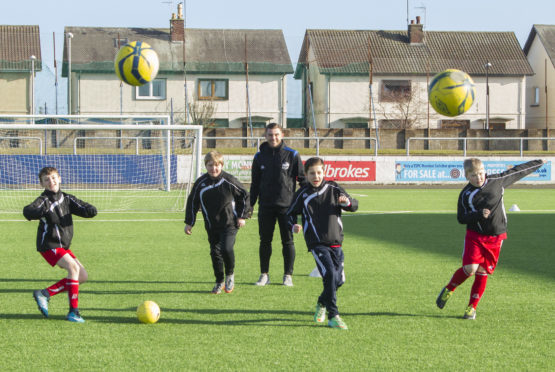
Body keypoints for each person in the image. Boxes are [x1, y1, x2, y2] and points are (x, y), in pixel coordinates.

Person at [436, 158, 546, 319]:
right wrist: (477, 215)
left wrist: (539, 162)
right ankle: (449, 289)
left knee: (482, 272)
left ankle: (471, 308)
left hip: (496, 237)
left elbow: (517, 171)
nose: (478, 177)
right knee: (470, 269)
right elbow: (461, 218)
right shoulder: (466, 194)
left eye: (480, 173)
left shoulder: (497, 181)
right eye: (473, 175)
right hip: (475, 236)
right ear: (467, 176)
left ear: (484, 171)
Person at [287, 157, 358, 330]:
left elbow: (353, 205)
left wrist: (347, 203)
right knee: (329, 275)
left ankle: (322, 302)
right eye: (312, 173)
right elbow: (289, 213)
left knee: (338, 280)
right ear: (306, 174)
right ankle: (334, 315)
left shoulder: (334, 188)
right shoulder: (303, 193)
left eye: (319, 172)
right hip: (317, 243)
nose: (316, 176)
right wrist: (293, 225)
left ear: (324, 172)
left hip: (336, 242)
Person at [23, 167, 97, 323]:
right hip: (49, 244)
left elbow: (86, 209)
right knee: (73, 268)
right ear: (42, 183)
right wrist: (36, 213)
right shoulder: (44, 200)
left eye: (53, 178)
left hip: (62, 246)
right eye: (46, 179)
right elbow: (29, 210)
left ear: (59, 179)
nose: (51, 182)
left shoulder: (67, 199)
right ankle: (73, 312)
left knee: (82, 276)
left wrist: (91, 211)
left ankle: (45, 294)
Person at [185, 151, 251, 294]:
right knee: (215, 253)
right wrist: (190, 222)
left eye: (216, 165)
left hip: (230, 223)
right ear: (206, 166)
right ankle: (219, 281)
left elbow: (244, 196)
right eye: (210, 165)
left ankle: (230, 275)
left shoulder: (229, 180)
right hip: (211, 225)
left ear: (221, 165)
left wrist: (242, 216)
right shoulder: (200, 183)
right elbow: (192, 202)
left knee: (226, 249)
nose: (213, 168)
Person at [250, 123, 305, 287]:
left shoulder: (292, 155)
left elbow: (302, 181)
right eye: (270, 135)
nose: (273, 138)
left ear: (282, 135)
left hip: (287, 207)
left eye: (276, 134)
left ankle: (288, 275)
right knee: (264, 241)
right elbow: (255, 184)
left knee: (287, 241)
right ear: (265, 136)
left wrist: (302, 205)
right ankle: (264, 275)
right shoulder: (259, 157)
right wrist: (249, 206)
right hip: (265, 206)